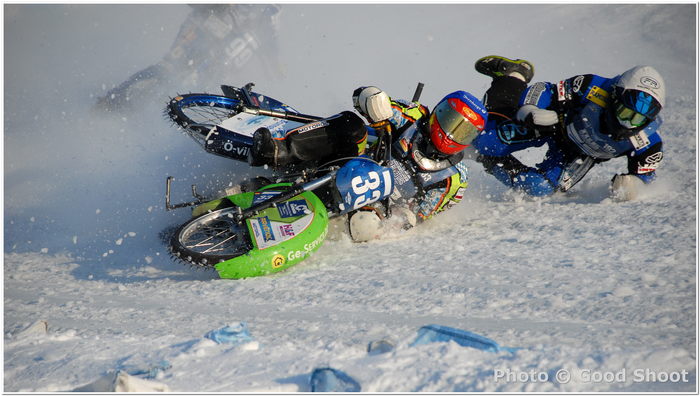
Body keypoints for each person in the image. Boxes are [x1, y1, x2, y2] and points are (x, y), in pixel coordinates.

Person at [249, 86, 488, 241]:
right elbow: (368, 98)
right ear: (439, 112)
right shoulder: (415, 116)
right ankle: (279, 151)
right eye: (451, 121)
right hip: (341, 161)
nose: (451, 134)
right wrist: (375, 103)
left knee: (366, 227)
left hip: (366, 205)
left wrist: (393, 217)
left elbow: (418, 216)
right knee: (352, 124)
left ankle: (301, 231)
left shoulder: (454, 179)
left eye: (464, 131)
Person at [469, 55, 665, 200]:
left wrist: (633, 185)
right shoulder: (591, 87)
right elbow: (545, 90)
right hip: (555, 123)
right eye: (625, 113)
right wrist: (529, 110)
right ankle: (514, 75)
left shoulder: (648, 142)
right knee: (486, 141)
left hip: (578, 155)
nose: (627, 124)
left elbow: (646, 176)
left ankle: (484, 158)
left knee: (538, 188)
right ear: (615, 98)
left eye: (637, 120)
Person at [96, 4, 281, 112]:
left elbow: (269, 40)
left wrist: (274, 65)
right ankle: (115, 97)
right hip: (205, 24)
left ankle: (156, 110)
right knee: (169, 66)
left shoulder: (269, 15)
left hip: (225, 45)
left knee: (200, 82)